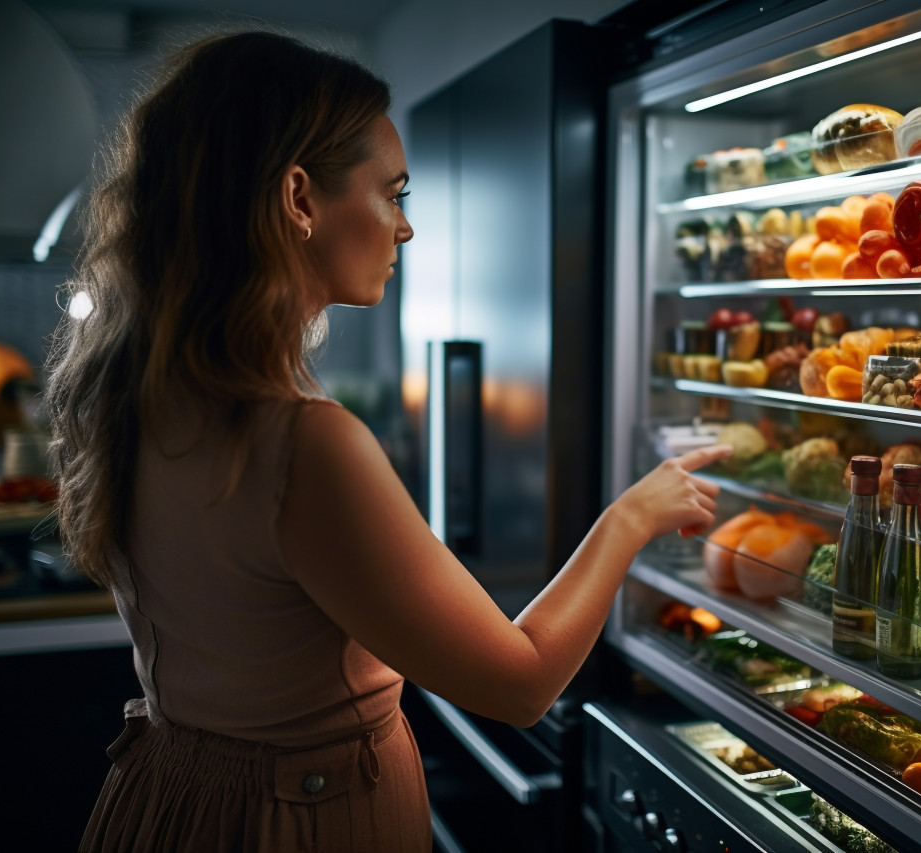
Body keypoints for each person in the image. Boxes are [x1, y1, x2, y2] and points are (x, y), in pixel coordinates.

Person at [43, 29, 729, 853]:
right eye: (393, 193)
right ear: (298, 199)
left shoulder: (129, 398)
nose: (404, 229)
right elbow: (520, 683)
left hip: (163, 798)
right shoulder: (306, 443)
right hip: (296, 822)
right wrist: (631, 515)